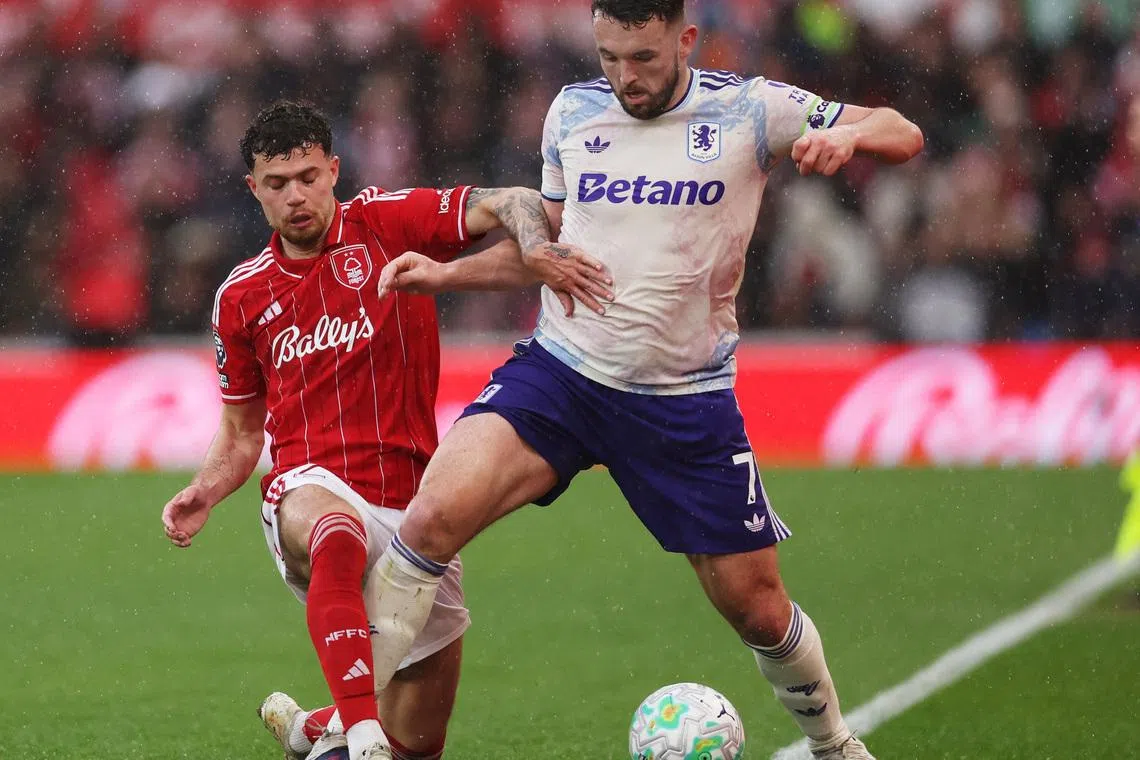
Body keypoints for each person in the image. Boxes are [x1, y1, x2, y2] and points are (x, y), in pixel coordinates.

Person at [364, 1, 924, 759]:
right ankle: (357, 726)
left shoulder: (749, 109)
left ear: (685, 40)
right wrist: (447, 273)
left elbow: (903, 130)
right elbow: (549, 248)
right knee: (427, 521)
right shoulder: (573, 112)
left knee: (758, 611)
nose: (625, 77)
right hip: (562, 375)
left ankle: (833, 745)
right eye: (609, 57)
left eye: (644, 59)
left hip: (683, 402)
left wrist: (848, 135)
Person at [160, 100, 611, 760]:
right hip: (306, 491)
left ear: (334, 170)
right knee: (332, 529)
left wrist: (538, 252)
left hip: (417, 519)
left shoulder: (388, 223)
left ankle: (323, 727)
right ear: (252, 189)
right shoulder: (241, 296)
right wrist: (204, 489)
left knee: (417, 749)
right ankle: (357, 729)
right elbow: (240, 431)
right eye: (278, 184)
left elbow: (510, 201)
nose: (297, 196)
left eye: (309, 177)